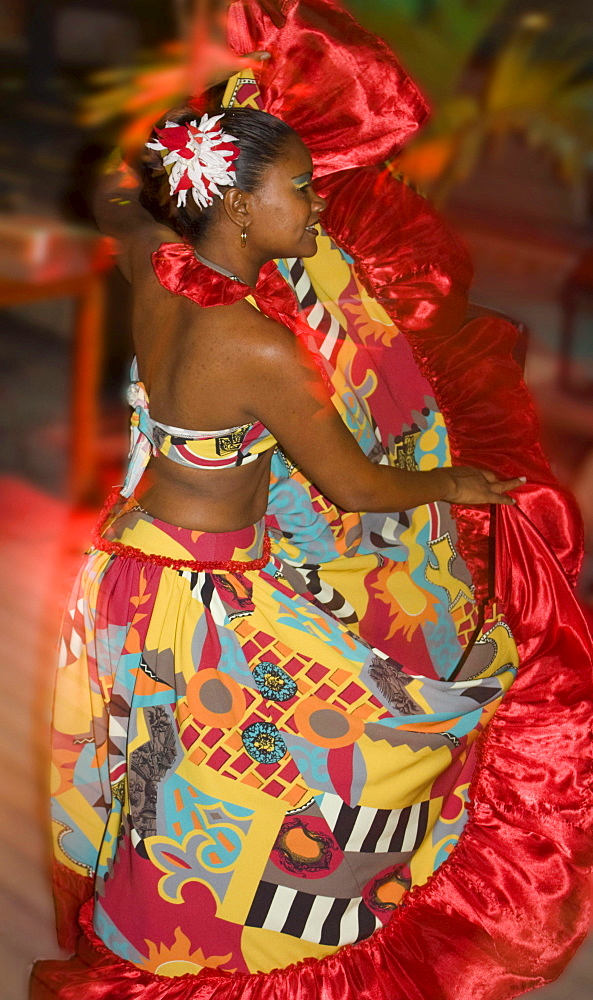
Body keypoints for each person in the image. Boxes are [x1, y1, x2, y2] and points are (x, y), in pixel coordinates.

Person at [32, 3, 593, 999]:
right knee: (356, 748)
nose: (318, 203)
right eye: (300, 187)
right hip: (201, 596)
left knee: (160, 786)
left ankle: (155, 944)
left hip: (124, 578)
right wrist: (451, 483)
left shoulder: (154, 272)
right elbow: (354, 482)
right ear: (237, 206)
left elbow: (124, 191)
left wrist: (219, 118)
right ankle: (213, 959)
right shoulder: (252, 346)